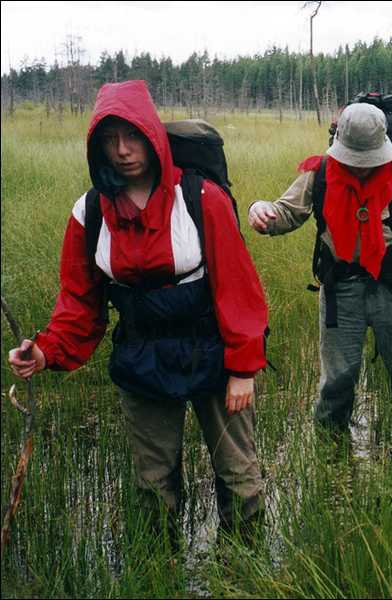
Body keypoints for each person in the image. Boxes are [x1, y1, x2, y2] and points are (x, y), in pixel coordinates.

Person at [7, 80, 269, 547]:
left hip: (211, 351)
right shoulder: (89, 213)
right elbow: (79, 301)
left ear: (152, 134)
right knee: (152, 482)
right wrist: (46, 352)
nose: (123, 151)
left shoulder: (201, 198)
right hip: (142, 354)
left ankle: (244, 568)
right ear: (97, 146)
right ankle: (160, 566)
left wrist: (243, 369)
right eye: (110, 140)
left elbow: (238, 288)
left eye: (131, 136)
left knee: (238, 474)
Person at [248, 103, 392, 439]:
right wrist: (260, 211)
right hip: (340, 291)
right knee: (338, 377)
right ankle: (330, 447)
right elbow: (284, 213)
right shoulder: (318, 174)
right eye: (353, 160)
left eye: (368, 161)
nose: (361, 169)